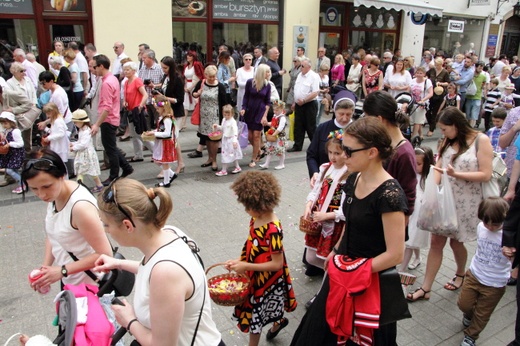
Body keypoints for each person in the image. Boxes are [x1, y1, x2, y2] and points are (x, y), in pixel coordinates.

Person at [290, 116, 408, 346]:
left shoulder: (390, 195)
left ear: (372, 152)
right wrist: (336, 250)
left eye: (349, 151)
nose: (343, 156)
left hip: (369, 282)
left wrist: (356, 271)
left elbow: (395, 254)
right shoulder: (354, 178)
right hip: (344, 270)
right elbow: (350, 223)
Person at [93, 178, 224, 346]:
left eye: (106, 224)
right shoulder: (171, 233)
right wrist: (118, 264)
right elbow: (149, 269)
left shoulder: (165, 272)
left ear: (127, 225)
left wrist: (130, 320)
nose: (105, 230)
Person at [407, 107, 493, 301]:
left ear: (456, 125)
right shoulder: (446, 141)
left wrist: (456, 175)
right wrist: (431, 192)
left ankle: (461, 272)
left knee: (456, 242)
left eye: (445, 129)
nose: (442, 133)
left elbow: (486, 174)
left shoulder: (481, 140)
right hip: (444, 200)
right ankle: (426, 288)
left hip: (467, 202)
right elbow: (438, 168)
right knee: (436, 242)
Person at [21, 148, 112, 292]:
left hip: (93, 286)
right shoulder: (55, 197)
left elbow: (105, 253)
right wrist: (45, 270)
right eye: (34, 189)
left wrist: (61, 271)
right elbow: (53, 234)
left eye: (47, 186)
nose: (42, 194)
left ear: (62, 176)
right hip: (71, 281)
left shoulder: (80, 207)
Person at [225, 171, 297, 346]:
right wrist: (239, 262)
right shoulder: (256, 218)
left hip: (267, 279)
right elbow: (252, 247)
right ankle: (278, 323)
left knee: (255, 315)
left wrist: (246, 266)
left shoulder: (272, 229)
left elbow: (277, 264)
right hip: (255, 273)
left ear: (258, 204)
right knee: (267, 308)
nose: (245, 210)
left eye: (246, 206)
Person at [302, 130, 348, 304]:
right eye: (330, 152)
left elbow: (347, 209)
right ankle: (338, 277)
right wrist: (308, 204)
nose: (333, 157)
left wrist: (327, 215)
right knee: (311, 257)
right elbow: (316, 191)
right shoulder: (325, 168)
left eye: (338, 153)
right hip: (319, 221)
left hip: (335, 224)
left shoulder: (349, 174)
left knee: (329, 260)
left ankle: (321, 296)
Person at [457, 197, 510, 346]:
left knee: (482, 314)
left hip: (495, 283)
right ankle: (468, 314)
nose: (490, 227)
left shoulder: (509, 234)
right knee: (464, 304)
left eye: (496, 224)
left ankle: (471, 336)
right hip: (475, 274)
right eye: (487, 222)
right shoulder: (481, 227)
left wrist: (511, 254)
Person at [363, 91, 417, 223]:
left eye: (367, 118)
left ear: (379, 119)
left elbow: (408, 198)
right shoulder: (382, 143)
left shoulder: (404, 153)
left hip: (388, 223)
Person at [91, 55, 133, 185]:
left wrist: (97, 124)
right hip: (112, 118)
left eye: (94, 67)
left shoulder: (107, 82)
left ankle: (113, 175)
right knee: (111, 147)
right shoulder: (111, 79)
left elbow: (107, 107)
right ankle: (126, 167)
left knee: (110, 149)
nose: (93, 69)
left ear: (101, 66)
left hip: (108, 120)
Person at [399, 146, 434, 272]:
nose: (414, 166)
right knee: (412, 239)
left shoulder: (428, 178)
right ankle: (418, 258)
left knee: (410, 241)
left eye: (418, 163)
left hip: (419, 213)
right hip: (410, 212)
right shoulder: (410, 175)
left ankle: (401, 270)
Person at [307, 94, 355, 185]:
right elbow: (311, 155)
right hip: (324, 176)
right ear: (334, 111)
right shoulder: (323, 128)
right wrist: (315, 172)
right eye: (341, 114)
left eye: (348, 114)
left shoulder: (358, 130)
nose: (344, 118)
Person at [192, 65, 227, 171]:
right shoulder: (202, 83)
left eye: (214, 76)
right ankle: (210, 158)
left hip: (215, 117)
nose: (212, 78)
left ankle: (215, 160)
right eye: (210, 76)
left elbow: (225, 103)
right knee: (206, 138)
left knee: (214, 140)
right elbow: (193, 93)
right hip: (203, 117)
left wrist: (224, 119)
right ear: (206, 75)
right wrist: (197, 94)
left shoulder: (220, 86)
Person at [158, 56, 185, 174]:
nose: (163, 70)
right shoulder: (166, 77)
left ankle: (180, 163)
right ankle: (179, 163)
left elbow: (180, 100)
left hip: (176, 113)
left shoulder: (177, 79)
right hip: (167, 112)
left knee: (174, 139)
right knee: (173, 139)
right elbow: (164, 89)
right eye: (162, 67)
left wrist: (166, 98)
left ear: (171, 67)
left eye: (165, 67)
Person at [144, 96, 178, 188]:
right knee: (158, 161)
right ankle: (172, 174)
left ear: (164, 108)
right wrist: (153, 132)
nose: (157, 110)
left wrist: (155, 134)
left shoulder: (167, 119)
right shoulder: (162, 118)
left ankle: (166, 182)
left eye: (158, 108)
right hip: (162, 143)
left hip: (165, 143)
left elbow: (167, 133)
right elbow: (161, 130)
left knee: (164, 162)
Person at [240, 64, 271, 167]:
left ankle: (253, 158)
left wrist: (264, 116)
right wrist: (243, 108)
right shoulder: (250, 82)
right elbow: (246, 97)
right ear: (262, 72)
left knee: (257, 136)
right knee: (249, 135)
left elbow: (267, 102)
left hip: (260, 112)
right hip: (249, 111)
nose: (269, 74)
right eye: (267, 72)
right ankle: (258, 150)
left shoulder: (268, 85)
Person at [4, 62, 38, 153]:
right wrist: (17, 109)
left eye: (24, 70)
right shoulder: (9, 83)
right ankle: (20, 151)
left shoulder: (27, 80)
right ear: (14, 72)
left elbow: (33, 93)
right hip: (19, 110)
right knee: (18, 131)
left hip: (30, 108)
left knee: (28, 129)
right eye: (21, 71)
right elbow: (12, 98)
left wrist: (34, 103)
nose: (24, 73)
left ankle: (28, 149)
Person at [122, 61, 152, 163]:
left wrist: (140, 105)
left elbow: (145, 95)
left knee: (140, 133)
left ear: (134, 71)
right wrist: (125, 102)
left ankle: (155, 152)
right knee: (133, 134)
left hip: (137, 111)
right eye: (124, 69)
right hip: (130, 110)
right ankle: (138, 154)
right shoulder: (126, 82)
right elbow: (126, 96)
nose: (125, 71)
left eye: (128, 69)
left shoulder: (137, 81)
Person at [288, 58, 320, 152]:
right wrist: (295, 102)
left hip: (309, 104)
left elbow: (315, 92)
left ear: (309, 67)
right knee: (298, 126)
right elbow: (297, 89)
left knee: (310, 126)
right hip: (299, 104)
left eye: (302, 66)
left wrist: (304, 100)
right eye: (300, 65)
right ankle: (297, 145)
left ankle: (315, 146)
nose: (300, 68)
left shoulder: (314, 76)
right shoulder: (300, 75)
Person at [69, 109, 103, 193]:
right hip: (84, 153)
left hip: (87, 153)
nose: (75, 124)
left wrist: (74, 147)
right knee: (82, 169)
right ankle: (81, 184)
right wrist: (74, 144)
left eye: (76, 122)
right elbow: (80, 142)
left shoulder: (86, 131)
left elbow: (83, 144)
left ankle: (96, 185)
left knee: (87, 169)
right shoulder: (82, 130)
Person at [213, 104, 242, 176]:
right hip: (225, 140)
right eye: (225, 115)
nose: (226, 116)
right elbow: (223, 128)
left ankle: (224, 170)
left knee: (231, 154)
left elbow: (235, 131)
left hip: (231, 140)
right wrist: (217, 127)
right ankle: (236, 167)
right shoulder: (224, 120)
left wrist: (235, 140)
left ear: (232, 114)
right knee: (226, 154)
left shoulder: (233, 122)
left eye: (228, 115)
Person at [0, 111, 25, 194]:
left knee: (10, 170)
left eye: (5, 123)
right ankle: (22, 182)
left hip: (16, 154)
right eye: (2, 123)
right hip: (12, 154)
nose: (4, 125)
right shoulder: (7, 130)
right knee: (14, 170)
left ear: (11, 122)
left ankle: (23, 184)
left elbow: (21, 143)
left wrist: (10, 144)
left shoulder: (15, 131)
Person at [426, 57, 451, 136]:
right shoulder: (432, 70)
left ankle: (431, 129)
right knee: (427, 111)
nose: (437, 66)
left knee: (434, 112)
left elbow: (448, 82)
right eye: (436, 64)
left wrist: (441, 83)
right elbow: (426, 76)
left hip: (439, 93)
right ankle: (432, 124)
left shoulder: (445, 72)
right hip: (431, 92)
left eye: (438, 65)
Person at [260, 100, 287, 170]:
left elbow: (280, 128)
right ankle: (266, 164)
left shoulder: (282, 118)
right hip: (274, 136)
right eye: (274, 110)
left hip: (279, 137)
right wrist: (267, 123)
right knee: (269, 150)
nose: (275, 111)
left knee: (280, 151)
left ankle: (281, 164)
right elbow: (272, 123)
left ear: (282, 109)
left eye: (277, 110)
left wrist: (274, 134)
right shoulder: (275, 116)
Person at [41, 102, 69, 169]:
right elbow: (54, 132)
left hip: (60, 146)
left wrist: (49, 138)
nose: (47, 115)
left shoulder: (58, 121)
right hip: (57, 146)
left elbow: (61, 133)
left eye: (48, 113)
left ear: (53, 111)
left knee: (61, 165)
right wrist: (45, 129)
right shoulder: (55, 120)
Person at [409, 66, 433, 140]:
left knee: (417, 121)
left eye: (421, 73)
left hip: (422, 104)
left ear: (424, 74)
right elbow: (409, 91)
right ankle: (421, 134)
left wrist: (423, 100)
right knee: (416, 119)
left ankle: (413, 136)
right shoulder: (413, 80)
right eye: (417, 73)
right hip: (413, 102)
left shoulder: (427, 81)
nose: (419, 74)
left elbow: (430, 93)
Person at [183, 51, 204, 131]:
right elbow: (185, 77)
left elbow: (199, 77)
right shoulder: (186, 66)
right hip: (187, 86)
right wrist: (185, 86)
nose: (188, 57)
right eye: (187, 55)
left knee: (197, 104)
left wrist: (191, 87)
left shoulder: (196, 64)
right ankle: (183, 123)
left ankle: (200, 121)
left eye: (190, 56)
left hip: (194, 86)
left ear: (193, 57)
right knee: (185, 105)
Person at [465, 61, 487, 128]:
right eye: (479, 67)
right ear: (476, 67)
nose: (480, 69)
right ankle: (468, 126)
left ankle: (471, 128)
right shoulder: (471, 75)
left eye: (482, 68)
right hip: (469, 96)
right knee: (468, 114)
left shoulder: (483, 77)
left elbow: (483, 86)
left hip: (477, 97)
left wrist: (484, 89)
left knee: (474, 115)